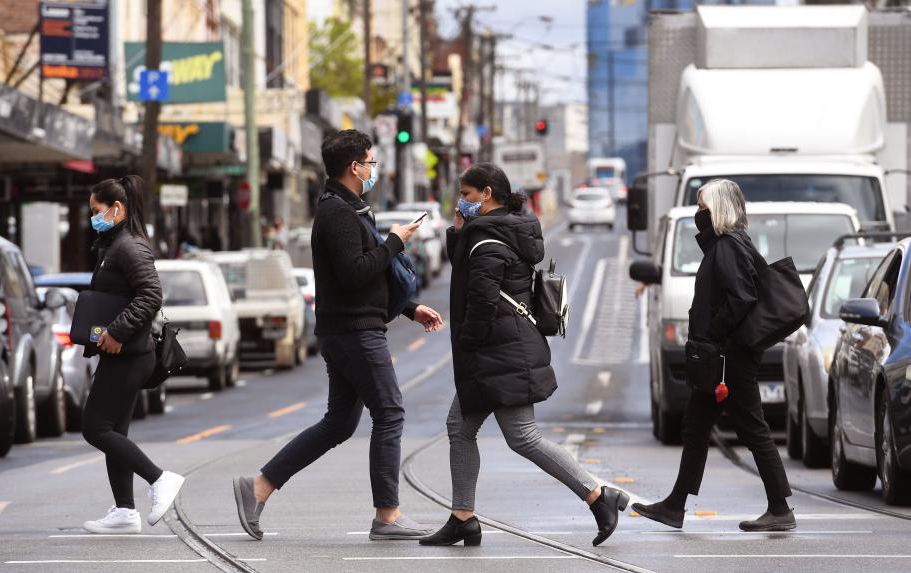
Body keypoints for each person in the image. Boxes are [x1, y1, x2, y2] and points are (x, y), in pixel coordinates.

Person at [232, 130, 445, 541]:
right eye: (370, 162)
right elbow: (354, 273)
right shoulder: (337, 214)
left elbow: (363, 277)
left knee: (338, 425)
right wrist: (395, 243)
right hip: (354, 332)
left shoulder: (349, 208)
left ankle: (258, 487)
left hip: (348, 328)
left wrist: (409, 308)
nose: (372, 169)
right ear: (355, 167)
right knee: (390, 411)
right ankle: (387, 515)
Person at [420, 163, 629, 549]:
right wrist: (458, 230)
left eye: (466, 196)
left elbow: (481, 302)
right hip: (503, 348)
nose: (460, 202)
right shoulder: (500, 230)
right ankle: (462, 517)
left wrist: (466, 343)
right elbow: (465, 266)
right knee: (460, 427)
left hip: (499, 353)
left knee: (523, 437)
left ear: (485, 194)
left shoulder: (489, 242)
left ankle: (600, 496)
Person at [632, 179, 795, 532]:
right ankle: (675, 505)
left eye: (702, 207)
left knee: (752, 428)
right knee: (696, 426)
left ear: (719, 209)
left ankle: (780, 508)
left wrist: (714, 335)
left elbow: (741, 299)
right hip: (722, 354)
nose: (698, 214)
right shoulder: (725, 245)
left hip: (728, 355)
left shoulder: (729, 246)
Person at [81, 176, 185, 534]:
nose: (92, 217)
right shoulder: (114, 245)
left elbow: (150, 295)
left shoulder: (129, 247)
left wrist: (116, 332)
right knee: (115, 431)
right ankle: (125, 511)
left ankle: (160, 479)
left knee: (95, 428)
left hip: (131, 354)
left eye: (96, 211)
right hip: (123, 354)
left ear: (117, 209)